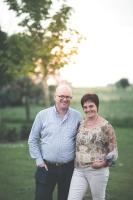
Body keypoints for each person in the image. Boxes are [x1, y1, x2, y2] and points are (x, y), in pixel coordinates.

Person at [28, 84, 82, 200]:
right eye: (61, 96)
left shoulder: (77, 116)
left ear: (71, 98)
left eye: (68, 97)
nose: (64, 99)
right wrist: (39, 160)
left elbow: (81, 141)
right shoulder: (42, 115)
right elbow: (32, 139)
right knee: (42, 197)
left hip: (69, 168)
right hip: (46, 167)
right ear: (55, 97)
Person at [67, 93, 118, 200]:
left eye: (91, 106)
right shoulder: (80, 124)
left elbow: (114, 153)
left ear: (97, 106)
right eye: (85, 107)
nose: (88, 109)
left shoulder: (106, 126)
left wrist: (102, 164)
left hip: (97, 171)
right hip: (79, 170)